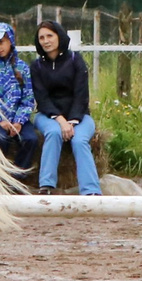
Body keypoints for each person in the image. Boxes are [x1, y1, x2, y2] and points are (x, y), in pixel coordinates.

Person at [29, 20, 100, 195]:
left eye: (49, 36)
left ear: (59, 36)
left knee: (79, 140)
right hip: (48, 116)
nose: (46, 41)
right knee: (53, 133)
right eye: (42, 37)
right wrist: (61, 121)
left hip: (80, 116)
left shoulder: (76, 60)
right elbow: (42, 99)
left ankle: (91, 191)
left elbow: (81, 95)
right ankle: (46, 186)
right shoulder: (36, 66)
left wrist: (73, 122)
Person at [0, 21, 40, 174]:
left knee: (30, 139)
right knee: (0, 140)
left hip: (19, 119)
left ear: (10, 40)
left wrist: (19, 121)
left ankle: (18, 175)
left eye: (1, 42)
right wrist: (1, 120)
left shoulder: (23, 68)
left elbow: (28, 98)